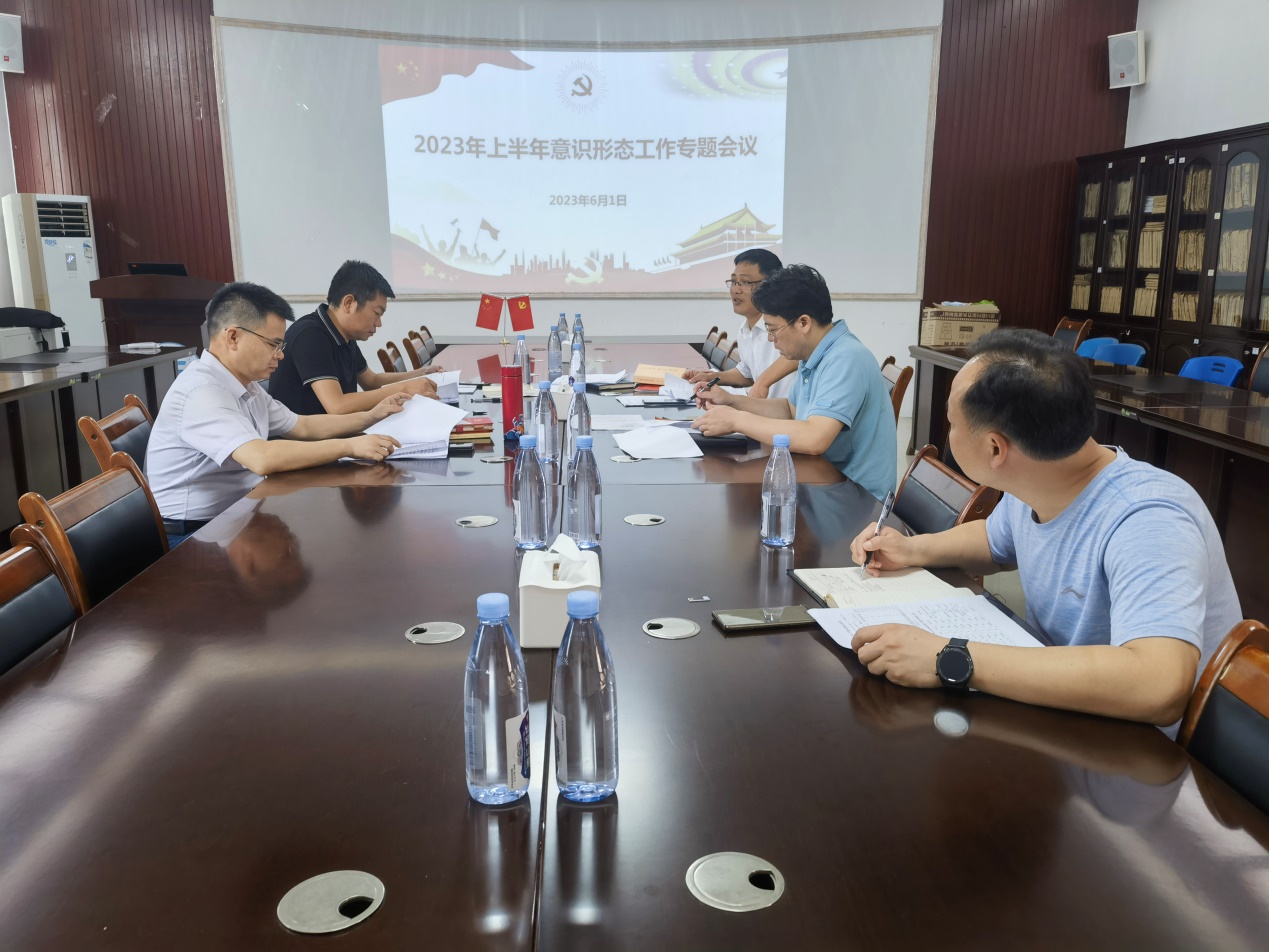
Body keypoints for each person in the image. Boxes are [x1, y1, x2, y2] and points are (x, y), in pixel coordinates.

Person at [849, 328, 1241, 731]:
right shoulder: (1043, 475)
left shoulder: (1148, 519)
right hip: (1064, 711)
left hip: (1136, 747)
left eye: (951, 423)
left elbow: (1160, 686)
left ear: (996, 448)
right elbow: (995, 541)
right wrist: (912, 549)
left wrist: (948, 656)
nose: (947, 433)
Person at [147, 281, 407, 543]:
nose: (280, 356)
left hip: (236, 514)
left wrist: (372, 415)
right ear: (233, 337)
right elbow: (261, 457)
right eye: (274, 344)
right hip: (195, 533)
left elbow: (302, 426)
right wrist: (349, 446)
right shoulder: (202, 392)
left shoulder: (246, 385)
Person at [692, 264, 897, 500]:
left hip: (856, 498)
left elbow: (814, 438)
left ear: (804, 323)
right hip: (821, 479)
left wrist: (736, 420)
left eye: (773, 330)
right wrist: (732, 401)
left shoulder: (846, 358)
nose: (771, 339)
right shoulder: (814, 352)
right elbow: (790, 410)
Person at [268, 259, 444, 416]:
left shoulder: (344, 335)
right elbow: (337, 406)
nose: (379, 323)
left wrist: (421, 374)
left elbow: (372, 381)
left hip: (336, 434)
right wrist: (404, 388)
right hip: (305, 440)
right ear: (349, 303)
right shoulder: (310, 335)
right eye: (377, 313)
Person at [684, 248, 796, 398]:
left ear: (771, 284)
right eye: (733, 282)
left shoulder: (785, 325)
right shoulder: (745, 329)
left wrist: (762, 382)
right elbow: (746, 374)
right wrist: (710, 377)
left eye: (745, 282)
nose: (735, 290)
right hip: (760, 408)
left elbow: (801, 354)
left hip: (784, 410)